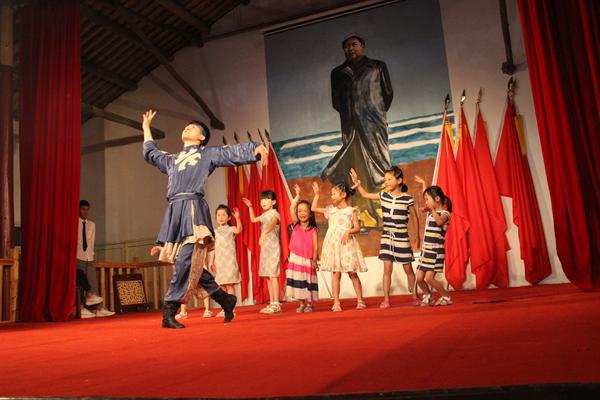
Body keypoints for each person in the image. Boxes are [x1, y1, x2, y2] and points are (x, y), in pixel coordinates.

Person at [142, 110, 268, 328]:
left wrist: (255, 147)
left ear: (201, 137)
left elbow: (231, 152)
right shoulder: (172, 160)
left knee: (185, 260)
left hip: (192, 207)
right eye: (186, 126)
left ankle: (169, 311)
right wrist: (146, 128)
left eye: (193, 127)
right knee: (189, 262)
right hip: (175, 210)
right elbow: (151, 154)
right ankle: (224, 299)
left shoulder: (207, 154)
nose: (187, 128)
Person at [322, 34, 394, 224]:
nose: (350, 48)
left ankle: (384, 207)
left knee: (380, 161)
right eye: (346, 46)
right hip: (350, 126)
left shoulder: (377, 66)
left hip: (374, 123)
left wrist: (374, 110)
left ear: (363, 46)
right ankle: (364, 211)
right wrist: (352, 113)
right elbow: (336, 102)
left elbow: (387, 94)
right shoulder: (338, 72)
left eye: (354, 44)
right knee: (356, 165)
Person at [350, 166, 420, 308]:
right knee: (387, 270)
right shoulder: (383, 195)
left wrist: (417, 235)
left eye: (389, 179)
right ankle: (386, 299)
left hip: (402, 237)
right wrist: (357, 183)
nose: (386, 182)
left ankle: (415, 296)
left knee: (408, 269)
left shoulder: (407, 199)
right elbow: (366, 195)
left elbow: (414, 217)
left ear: (399, 180)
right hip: (387, 237)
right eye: (385, 179)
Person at [311, 181, 366, 312]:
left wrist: (349, 231)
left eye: (334, 194)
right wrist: (317, 194)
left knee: (352, 273)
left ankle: (360, 300)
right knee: (336, 273)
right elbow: (313, 208)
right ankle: (336, 302)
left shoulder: (351, 211)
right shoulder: (331, 211)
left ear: (343, 194)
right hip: (334, 246)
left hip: (346, 245)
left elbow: (357, 227)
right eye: (331, 194)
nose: (332, 196)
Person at [242, 190, 282, 314]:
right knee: (268, 277)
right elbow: (253, 219)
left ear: (273, 202)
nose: (263, 202)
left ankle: (276, 303)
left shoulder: (275, 213)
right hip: (265, 249)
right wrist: (250, 207)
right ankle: (272, 302)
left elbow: (273, 223)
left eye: (266, 199)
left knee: (273, 276)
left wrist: (264, 233)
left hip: (273, 248)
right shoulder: (264, 215)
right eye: (262, 200)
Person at [414, 184, 453, 306]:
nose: (426, 202)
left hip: (435, 252)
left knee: (429, 278)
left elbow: (440, 222)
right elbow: (430, 204)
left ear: (437, 199)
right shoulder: (432, 213)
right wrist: (423, 185)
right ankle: (428, 296)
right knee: (419, 278)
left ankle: (446, 296)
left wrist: (431, 210)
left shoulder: (445, 214)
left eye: (427, 199)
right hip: (426, 252)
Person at [77, 200, 115, 318]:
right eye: (83, 209)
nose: (85, 212)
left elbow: (91, 241)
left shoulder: (91, 224)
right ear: (78, 209)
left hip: (89, 256)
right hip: (78, 256)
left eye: (87, 209)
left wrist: (91, 255)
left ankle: (97, 309)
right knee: (80, 283)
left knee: (93, 283)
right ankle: (80, 308)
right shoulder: (74, 223)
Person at [285, 184, 319, 313]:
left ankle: (310, 303)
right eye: (299, 211)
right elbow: (291, 207)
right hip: (296, 258)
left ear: (310, 214)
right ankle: (301, 303)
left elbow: (315, 246)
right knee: (298, 280)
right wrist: (297, 196)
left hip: (308, 259)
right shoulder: (295, 225)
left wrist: (314, 259)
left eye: (305, 211)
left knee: (308, 280)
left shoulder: (313, 229)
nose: (302, 213)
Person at [212, 205, 242, 318]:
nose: (221, 217)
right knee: (222, 286)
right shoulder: (215, 232)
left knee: (229, 285)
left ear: (229, 217)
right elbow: (214, 247)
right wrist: (212, 261)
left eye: (223, 215)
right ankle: (225, 308)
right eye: (218, 215)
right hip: (220, 261)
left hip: (229, 261)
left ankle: (231, 309)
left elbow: (239, 230)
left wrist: (238, 218)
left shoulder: (231, 229)